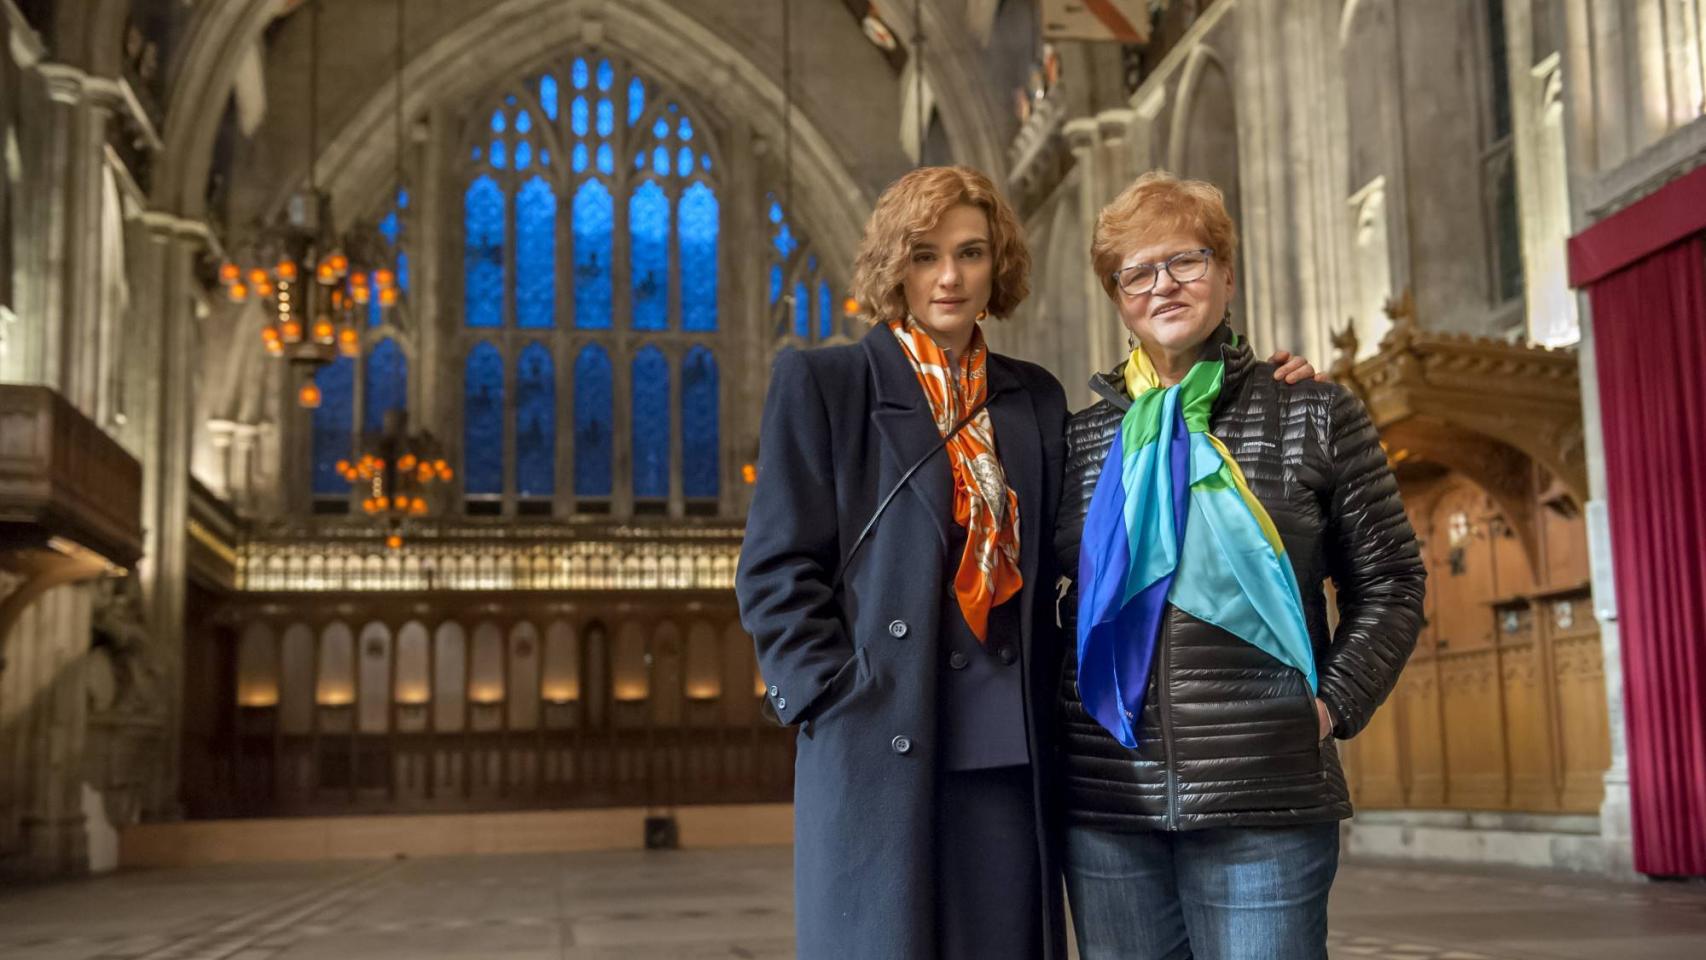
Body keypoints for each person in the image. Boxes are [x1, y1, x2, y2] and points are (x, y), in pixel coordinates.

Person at [736, 165, 1317, 960]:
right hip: (879, 737)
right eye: (924, 254)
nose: (949, 276)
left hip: (1010, 747)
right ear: (892, 265)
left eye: (971, 253)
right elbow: (776, 569)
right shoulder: (826, 384)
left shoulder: (1034, 397)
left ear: (997, 267)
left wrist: (1263, 388)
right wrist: (834, 697)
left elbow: (1119, 502)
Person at [1055, 170, 1427, 960]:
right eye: (1137, 273)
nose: (1164, 286)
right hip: (1109, 807)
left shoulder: (1313, 412)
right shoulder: (1079, 444)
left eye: (1186, 261)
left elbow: (1392, 582)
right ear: (1117, 297)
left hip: (1266, 799)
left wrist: (1328, 708)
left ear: (1226, 272)